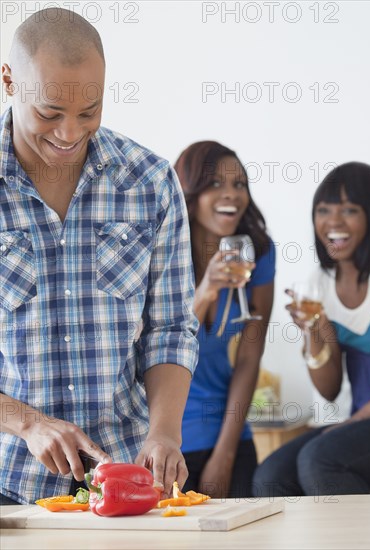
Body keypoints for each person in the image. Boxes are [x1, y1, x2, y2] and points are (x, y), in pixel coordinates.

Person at [0, 9, 198, 505]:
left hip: (126, 479)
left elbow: (170, 327)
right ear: (8, 81)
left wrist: (165, 433)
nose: (69, 133)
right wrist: (28, 424)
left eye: (88, 111)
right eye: (49, 112)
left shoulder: (150, 183)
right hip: (8, 483)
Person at [253, 161, 370, 496]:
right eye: (323, 210)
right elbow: (329, 389)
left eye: (349, 209)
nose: (333, 221)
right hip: (369, 424)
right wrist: (314, 332)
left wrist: (358, 419)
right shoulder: (318, 284)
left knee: (321, 458)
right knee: (270, 476)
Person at [174, 141, 275, 498]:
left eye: (240, 184)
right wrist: (205, 291)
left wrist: (225, 454)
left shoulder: (257, 252)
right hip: (167, 436)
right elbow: (158, 350)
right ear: (190, 190)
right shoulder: (161, 254)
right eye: (215, 184)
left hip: (229, 431)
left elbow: (250, 358)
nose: (231, 194)